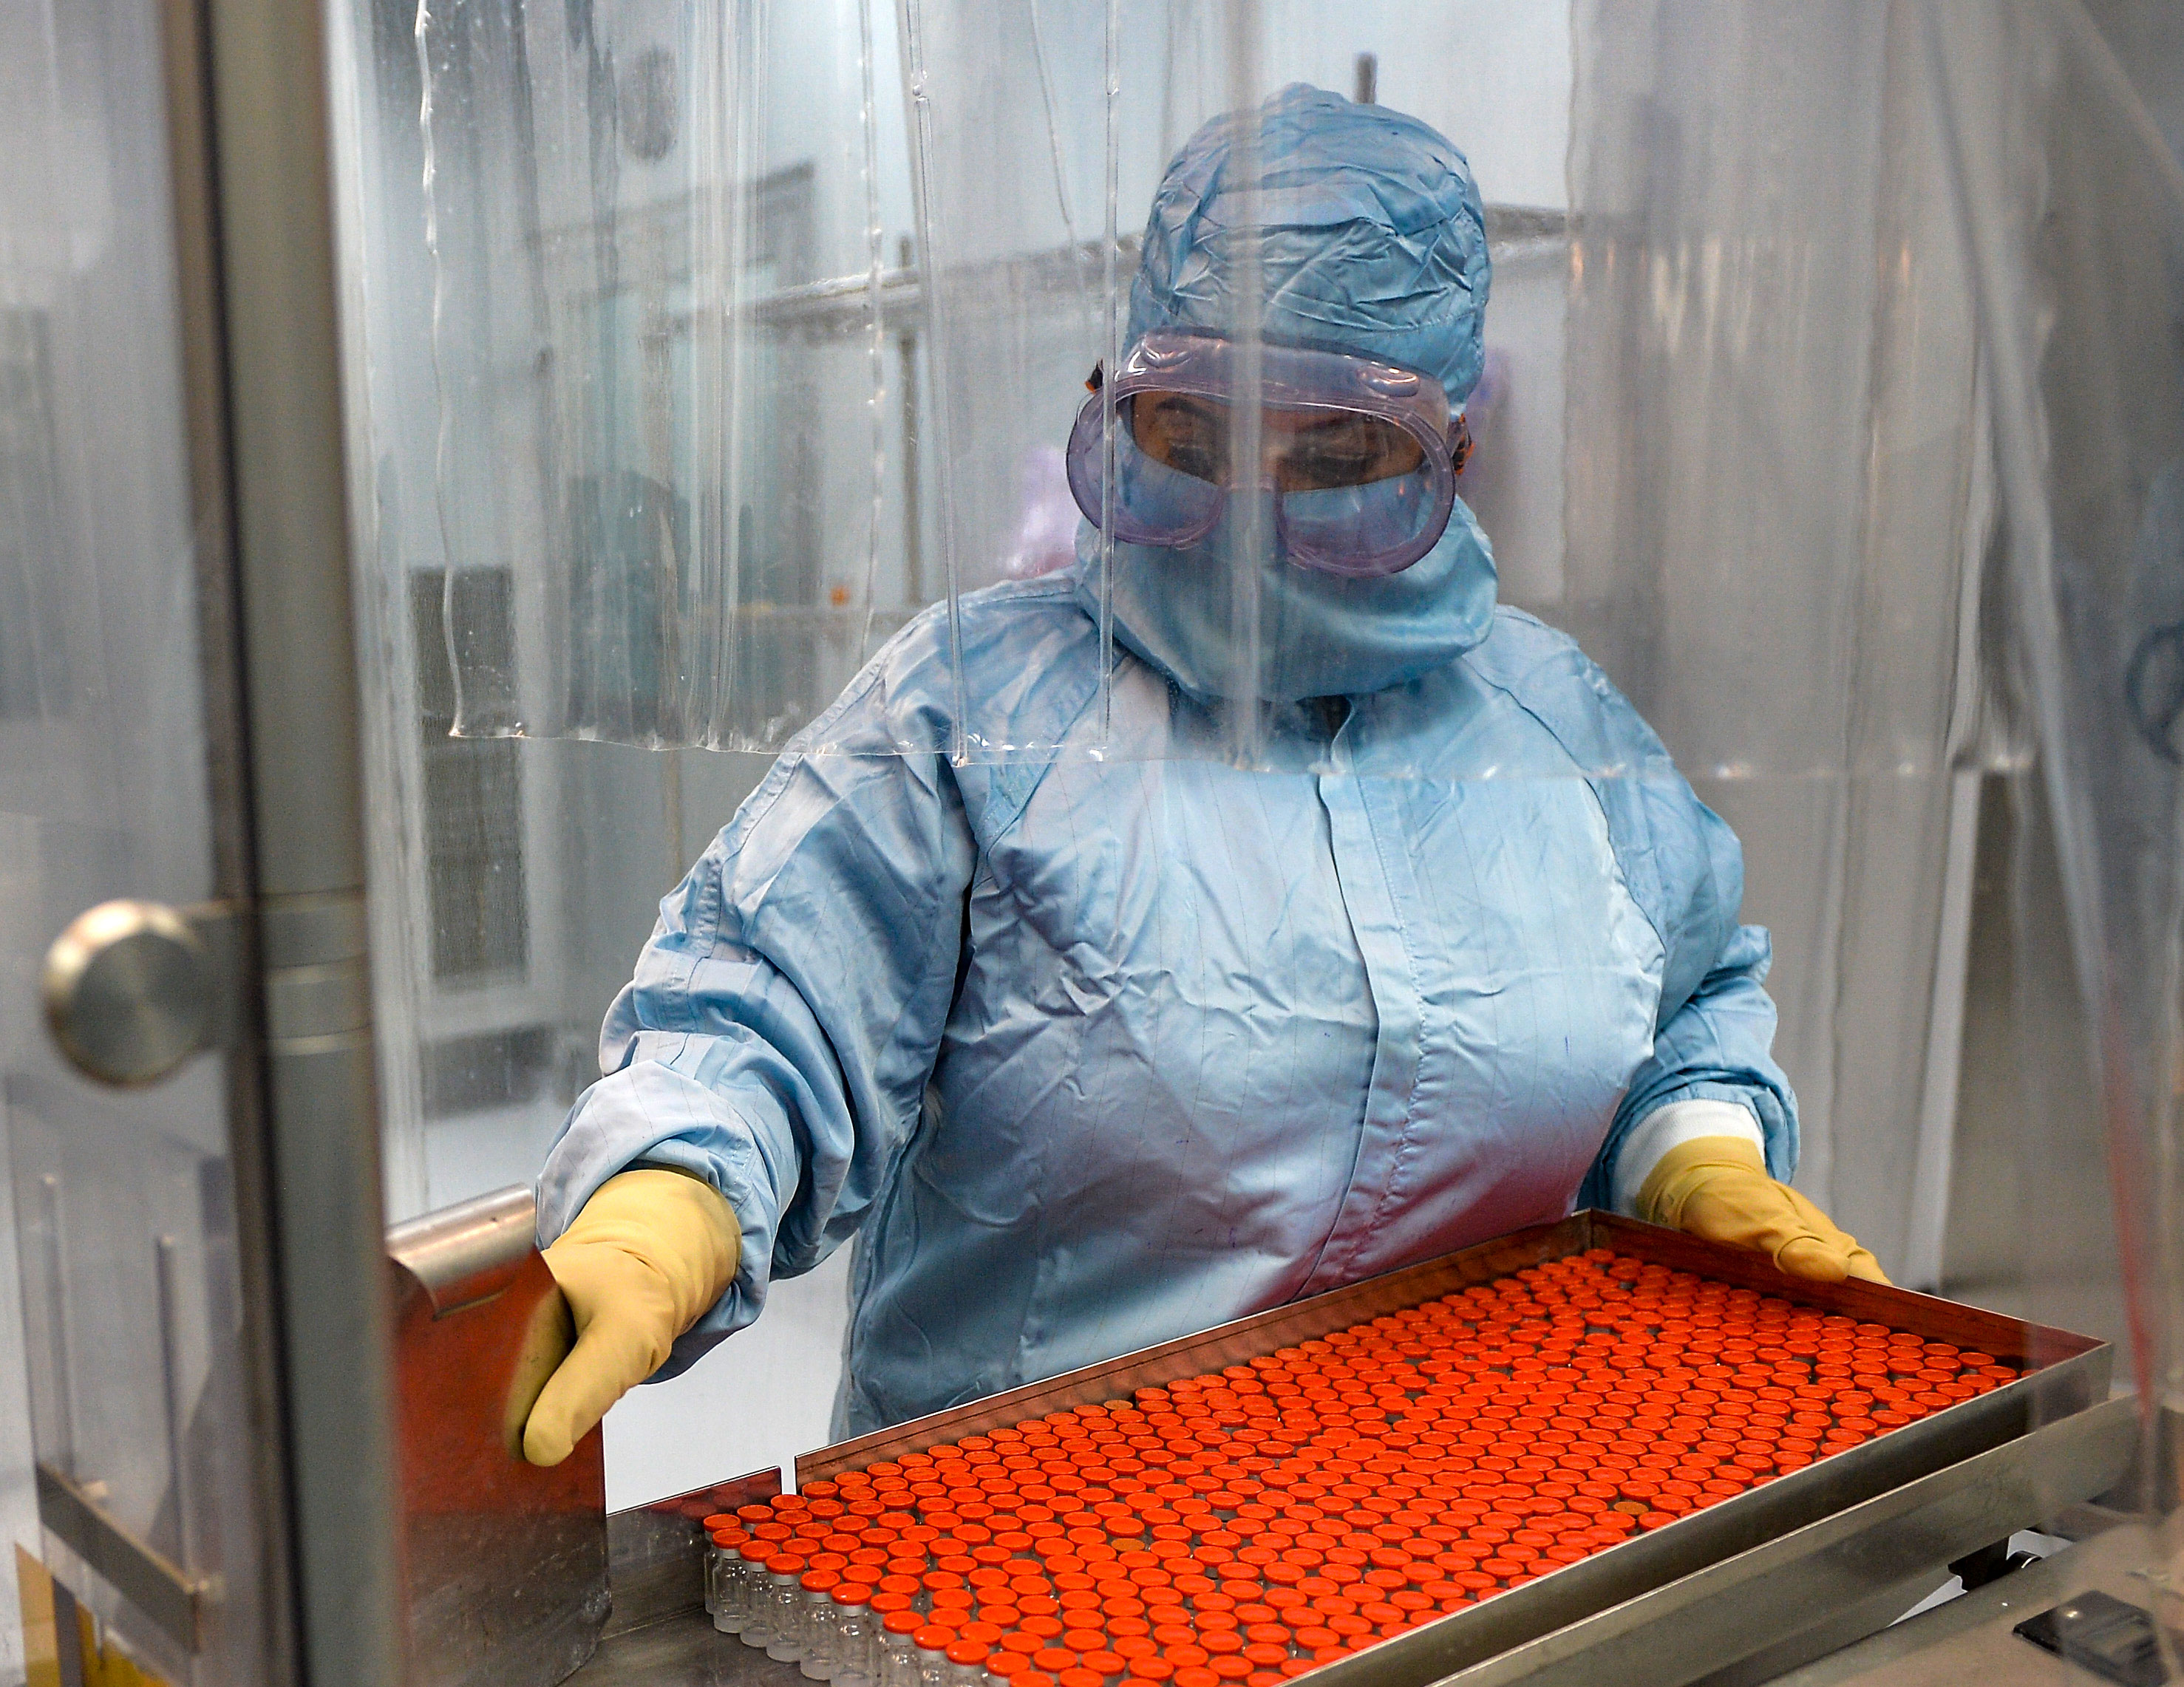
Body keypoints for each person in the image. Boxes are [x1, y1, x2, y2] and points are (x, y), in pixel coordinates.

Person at [516, 85, 1885, 1468]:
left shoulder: (1550, 721)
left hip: (1471, 1529)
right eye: (1194, 435)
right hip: (1027, 1546)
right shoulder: (978, 713)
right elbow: (774, 1004)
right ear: (1119, 400)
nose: (1247, 517)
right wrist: (671, 1195)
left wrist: (1693, 1147)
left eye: (1338, 453)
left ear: (1453, 459)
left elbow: (1689, 983)